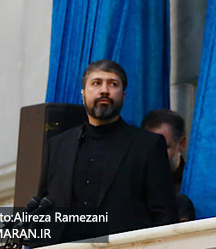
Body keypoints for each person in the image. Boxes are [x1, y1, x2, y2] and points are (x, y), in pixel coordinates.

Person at [37, 60, 178, 243]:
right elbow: (42, 207)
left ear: (123, 96)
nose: (104, 90)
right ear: (83, 94)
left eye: (113, 84)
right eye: (96, 83)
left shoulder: (147, 145)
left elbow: (165, 215)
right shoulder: (58, 146)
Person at [141, 109, 196, 221]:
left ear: (181, 144)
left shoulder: (193, 186)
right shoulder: (134, 185)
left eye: (163, 147)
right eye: (148, 147)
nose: (154, 154)